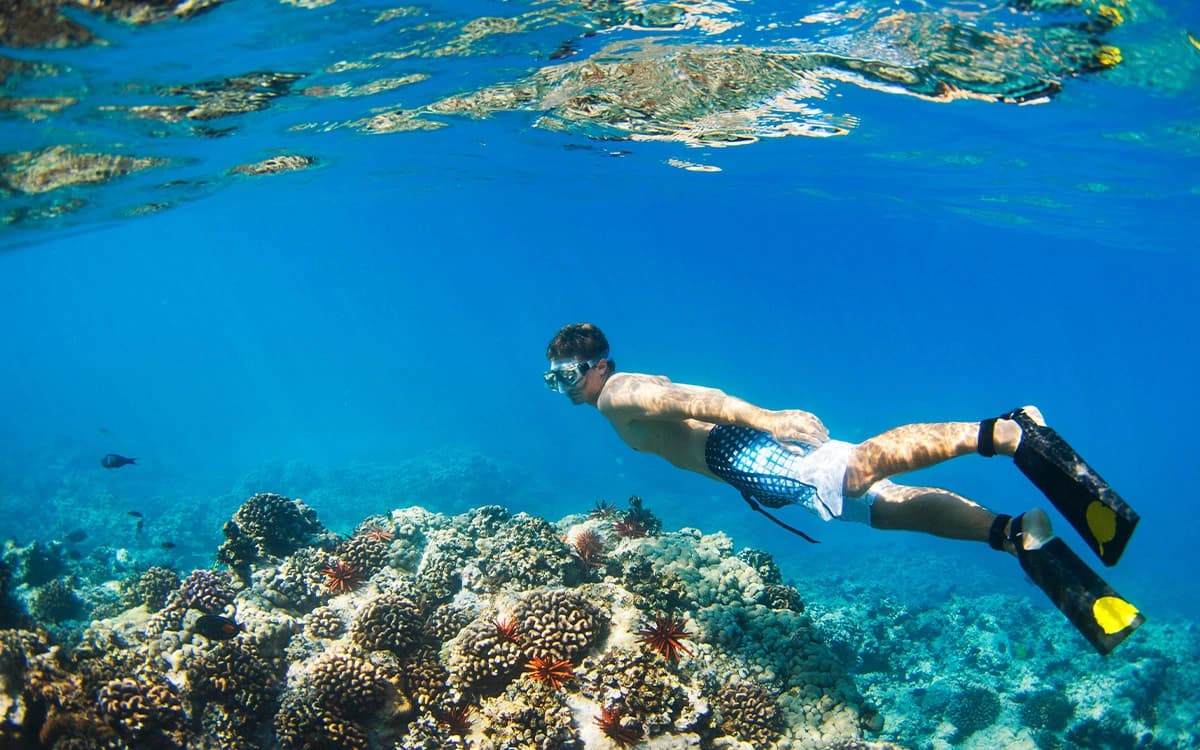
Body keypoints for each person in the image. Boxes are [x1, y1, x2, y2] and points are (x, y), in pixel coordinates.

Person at [544, 322, 1143, 654]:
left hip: (746, 453)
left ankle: (1005, 432)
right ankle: (1012, 533)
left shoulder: (617, 394)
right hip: (748, 466)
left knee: (858, 470)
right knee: (884, 508)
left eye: (568, 375)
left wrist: (768, 420)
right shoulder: (618, 392)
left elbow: (695, 400)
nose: (564, 387)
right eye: (553, 380)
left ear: (599, 366)